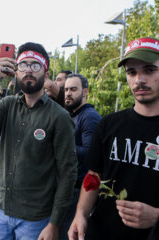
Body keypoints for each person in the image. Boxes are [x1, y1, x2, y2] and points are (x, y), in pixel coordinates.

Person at [68, 37, 159, 240]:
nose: (139, 79)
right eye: (132, 72)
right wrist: (80, 214)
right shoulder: (108, 125)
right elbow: (94, 176)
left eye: (149, 70)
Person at [0, 42, 77, 240]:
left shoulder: (59, 117)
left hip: (35, 219)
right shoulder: (8, 105)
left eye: (35, 65)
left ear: (45, 71)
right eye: (23, 64)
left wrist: (54, 224)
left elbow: (68, 173)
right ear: (16, 71)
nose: (28, 70)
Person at [59, 73, 101, 240]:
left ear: (85, 92)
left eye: (73, 89)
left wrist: (60, 146)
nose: (68, 93)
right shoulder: (72, 114)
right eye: (66, 89)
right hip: (68, 187)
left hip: (79, 191)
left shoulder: (89, 116)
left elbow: (92, 154)